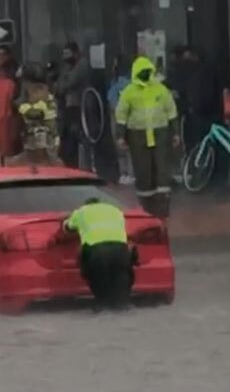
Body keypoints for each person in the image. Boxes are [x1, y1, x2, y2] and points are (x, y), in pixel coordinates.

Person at [115, 56, 179, 216]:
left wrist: (175, 132)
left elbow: (171, 111)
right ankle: (146, 210)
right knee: (143, 173)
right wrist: (120, 136)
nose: (145, 74)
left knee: (162, 172)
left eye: (147, 71)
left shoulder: (160, 89)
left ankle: (162, 210)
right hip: (138, 137)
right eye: (142, 71)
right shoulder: (129, 92)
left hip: (160, 135)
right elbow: (121, 115)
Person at [62, 198, 134, 310]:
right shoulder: (115, 210)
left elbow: (67, 227)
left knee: (97, 277)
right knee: (121, 275)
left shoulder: (81, 212)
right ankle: (122, 305)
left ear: (87, 204)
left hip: (96, 250)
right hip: (120, 248)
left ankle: (102, 305)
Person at [5, 62, 62, 167]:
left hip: (48, 142)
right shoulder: (30, 94)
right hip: (33, 143)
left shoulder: (44, 96)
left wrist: (22, 107)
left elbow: (35, 113)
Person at [55, 42, 90, 168]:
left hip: (80, 106)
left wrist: (62, 85)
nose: (65, 57)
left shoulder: (81, 65)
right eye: (64, 54)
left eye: (68, 54)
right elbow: (59, 85)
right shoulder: (67, 67)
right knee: (68, 140)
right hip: (68, 107)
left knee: (80, 138)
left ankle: (85, 166)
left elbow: (69, 83)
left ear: (75, 53)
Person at [107, 55, 133, 185]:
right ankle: (131, 173)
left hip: (118, 118)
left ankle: (125, 173)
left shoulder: (116, 83)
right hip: (132, 118)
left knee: (121, 147)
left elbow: (111, 102)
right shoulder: (133, 83)